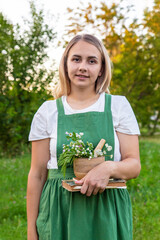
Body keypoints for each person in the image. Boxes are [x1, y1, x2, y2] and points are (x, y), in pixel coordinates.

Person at [27, 34, 141, 240]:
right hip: (58, 210)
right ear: (65, 64)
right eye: (76, 59)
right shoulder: (47, 112)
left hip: (106, 210)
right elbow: (37, 174)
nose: (82, 67)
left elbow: (134, 165)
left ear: (101, 70)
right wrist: (31, 232)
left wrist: (108, 168)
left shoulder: (118, 106)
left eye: (92, 61)